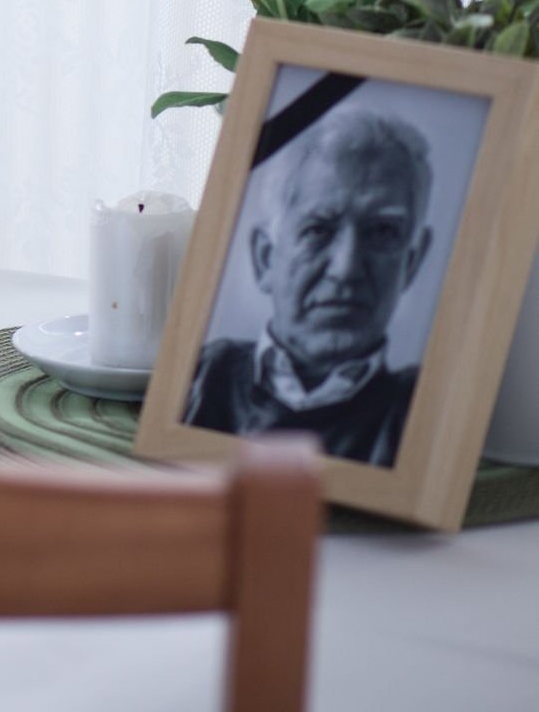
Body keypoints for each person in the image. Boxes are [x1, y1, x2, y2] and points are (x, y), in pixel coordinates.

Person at [182, 107, 435, 468]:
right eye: (318, 230)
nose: (345, 270)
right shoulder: (199, 375)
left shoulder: (426, 412)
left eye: (382, 232)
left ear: (411, 262)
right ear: (266, 258)